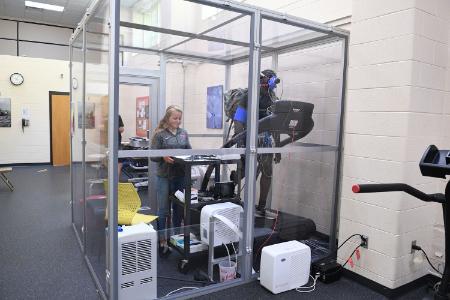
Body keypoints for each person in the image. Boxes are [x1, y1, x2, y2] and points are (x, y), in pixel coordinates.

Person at [232, 69, 281, 218]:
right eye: (269, 78)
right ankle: (229, 191)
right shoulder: (249, 96)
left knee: (267, 173)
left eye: (273, 79)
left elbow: (276, 125)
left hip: (266, 141)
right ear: (263, 80)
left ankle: (261, 206)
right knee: (245, 172)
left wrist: (277, 148)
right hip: (249, 140)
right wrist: (241, 142)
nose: (272, 82)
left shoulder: (273, 98)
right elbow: (239, 119)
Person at [151, 105, 191, 257]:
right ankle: (162, 240)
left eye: (179, 118)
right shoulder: (160, 135)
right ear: (167, 119)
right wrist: (163, 157)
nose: (178, 121)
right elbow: (152, 156)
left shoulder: (183, 133)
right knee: (163, 210)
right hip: (164, 177)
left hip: (180, 176)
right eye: (175, 118)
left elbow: (189, 151)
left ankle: (177, 237)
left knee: (179, 208)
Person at [118, 114, 125, 179]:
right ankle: (115, 182)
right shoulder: (117, 116)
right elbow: (122, 129)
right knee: (119, 163)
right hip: (115, 144)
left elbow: (121, 129)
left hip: (115, 143)